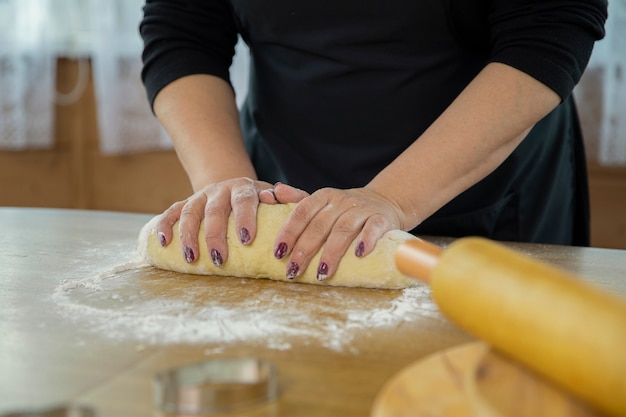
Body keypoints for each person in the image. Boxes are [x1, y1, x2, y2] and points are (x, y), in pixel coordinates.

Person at [139, 0, 607, 282]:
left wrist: (392, 197)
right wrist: (229, 186)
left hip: (487, 192)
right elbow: (183, 32)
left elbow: (548, 29)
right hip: (283, 193)